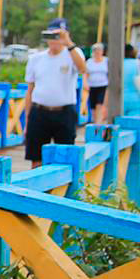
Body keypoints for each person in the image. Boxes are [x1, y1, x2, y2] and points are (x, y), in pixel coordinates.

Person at [22, 18, 87, 168]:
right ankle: (37, 190)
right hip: (39, 111)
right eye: (51, 35)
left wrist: (68, 43)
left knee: (65, 157)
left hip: (64, 112)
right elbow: (30, 90)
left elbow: (82, 69)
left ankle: (61, 191)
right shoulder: (36, 59)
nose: (55, 40)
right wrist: (27, 120)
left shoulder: (73, 53)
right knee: (36, 157)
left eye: (58, 35)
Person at [121, 43, 140, 116]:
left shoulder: (117, 63)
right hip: (135, 98)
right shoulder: (137, 63)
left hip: (119, 99)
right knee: (134, 124)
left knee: (120, 124)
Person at [84, 43, 110, 125]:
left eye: (99, 50)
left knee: (100, 104)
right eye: (96, 51)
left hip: (103, 85)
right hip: (92, 85)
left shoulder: (106, 61)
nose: (98, 52)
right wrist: (85, 83)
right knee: (93, 106)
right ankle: (95, 122)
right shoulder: (89, 62)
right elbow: (85, 73)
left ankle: (99, 123)